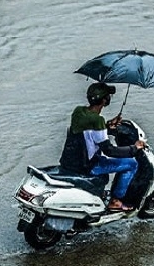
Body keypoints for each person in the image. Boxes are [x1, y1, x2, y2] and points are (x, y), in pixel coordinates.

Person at [59, 82, 146, 212]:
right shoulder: (97, 121)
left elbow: (87, 133)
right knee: (131, 164)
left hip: (70, 162)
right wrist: (134, 148)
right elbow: (109, 150)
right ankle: (116, 200)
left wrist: (107, 126)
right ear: (105, 100)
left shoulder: (78, 111)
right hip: (88, 166)